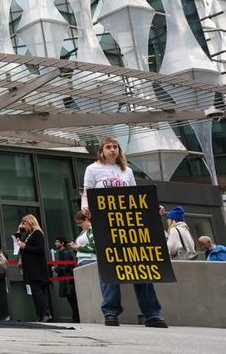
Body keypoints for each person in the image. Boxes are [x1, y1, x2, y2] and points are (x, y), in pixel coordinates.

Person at [80, 136, 168, 328]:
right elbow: (87, 193)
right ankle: (110, 312)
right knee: (109, 267)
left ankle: (152, 313)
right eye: (109, 147)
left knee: (140, 265)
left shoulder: (126, 171)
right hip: (105, 225)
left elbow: (135, 197)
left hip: (129, 226)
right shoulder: (92, 169)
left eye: (115, 147)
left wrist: (152, 208)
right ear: (102, 151)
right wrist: (86, 210)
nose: (112, 150)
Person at [15, 214, 51, 322]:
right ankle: (40, 314)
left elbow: (39, 249)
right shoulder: (28, 235)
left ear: (30, 222)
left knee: (37, 291)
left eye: (24, 223)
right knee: (34, 292)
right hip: (30, 268)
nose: (23, 225)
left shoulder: (37, 233)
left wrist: (25, 247)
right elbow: (19, 245)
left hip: (36, 267)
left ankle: (46, 313)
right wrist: (18, 232)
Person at [54, 236, 78, 322]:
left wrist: (55, 269)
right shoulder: (61, 253)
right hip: (66, 279)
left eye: (57, 242)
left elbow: (66, 267)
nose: (55, 243)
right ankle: (75, 318)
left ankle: (76, 318)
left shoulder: (65, 253)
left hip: (68, 280)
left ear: (62, 243)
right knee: (71, 300)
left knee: (72, 299)